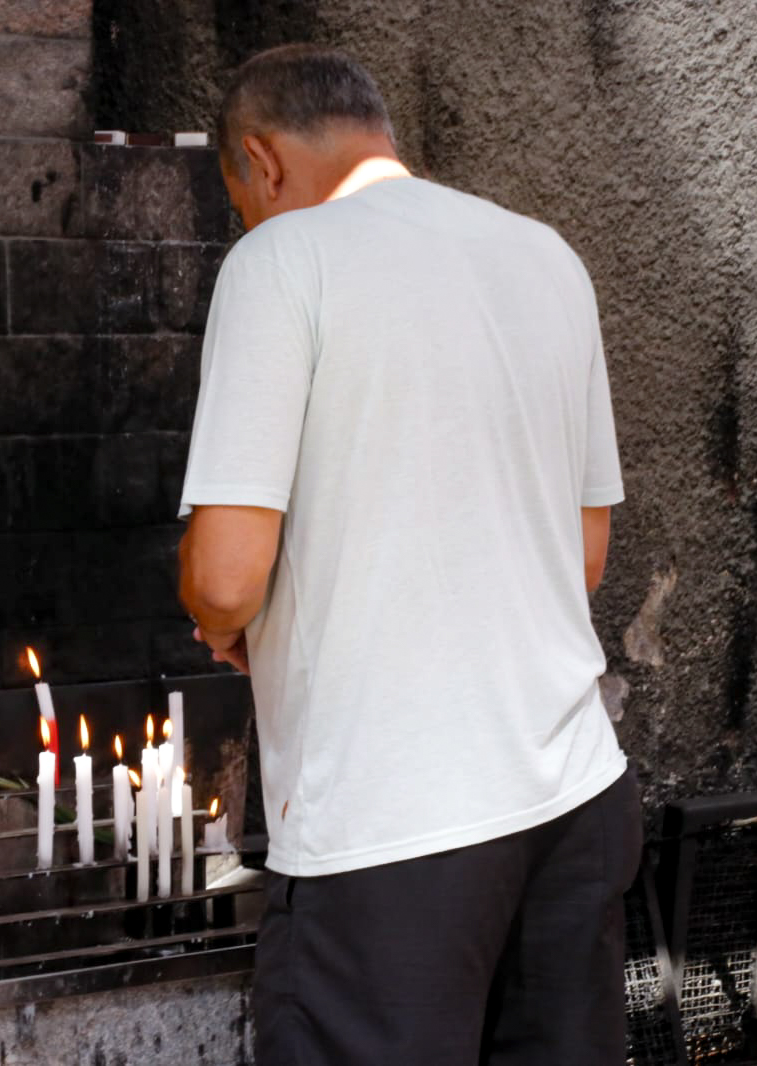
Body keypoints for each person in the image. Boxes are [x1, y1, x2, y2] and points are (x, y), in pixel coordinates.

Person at [175, 44, 641, 1065]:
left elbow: (224, 574)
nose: (246, 219)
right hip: (573, 801)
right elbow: (585, 554)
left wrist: (224, 626)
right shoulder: (545, 255)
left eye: (239, 198)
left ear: (261, 160)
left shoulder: (281, 259)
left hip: (391, 829)